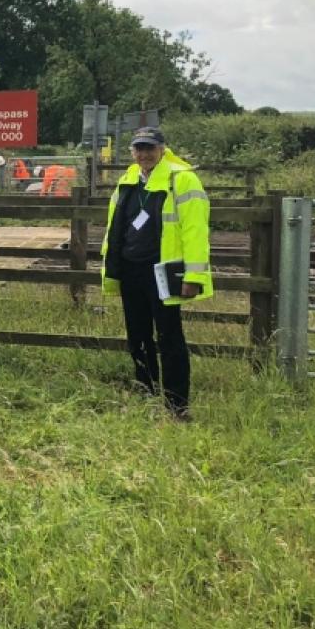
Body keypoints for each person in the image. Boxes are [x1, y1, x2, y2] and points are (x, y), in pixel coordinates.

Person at [101, 126, 211, 420]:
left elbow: (195, 231)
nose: (144, 154)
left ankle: (177, 404)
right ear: (132, 151)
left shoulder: (182, 179)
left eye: (150, 148)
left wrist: (193, 276)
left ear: (163, 149)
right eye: (139, 148)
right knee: (137, 334)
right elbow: (116, 226)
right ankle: (145, 388)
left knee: (169, 336)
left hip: (163, 271)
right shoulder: (128, 179)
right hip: (131, 269)